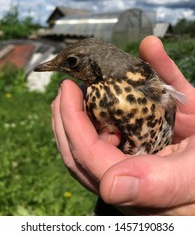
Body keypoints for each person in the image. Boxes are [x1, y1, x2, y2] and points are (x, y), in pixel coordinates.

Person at [51, 36, 195, 215]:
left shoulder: (142, 75)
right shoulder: (92, 96)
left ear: (94, 63)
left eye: (72, 62)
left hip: (160, 155)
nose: (66, 67)